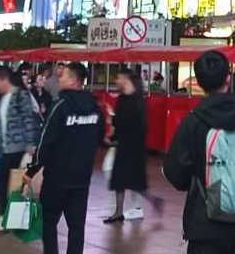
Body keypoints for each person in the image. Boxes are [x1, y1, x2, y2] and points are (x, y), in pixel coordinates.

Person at [162, 48, 235, 254]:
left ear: (200, 82)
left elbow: (175, 172)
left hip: (205, 224)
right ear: (228, 79)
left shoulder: (193, 121)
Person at [29, 62, 104, 254]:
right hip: (82, 178)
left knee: (49, 222)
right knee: (77, 227)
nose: (59, 79)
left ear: (73, 80)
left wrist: (34, 168)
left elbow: (45, 140)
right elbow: (100, 136)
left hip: (56, 178)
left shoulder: (60, 105)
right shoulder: (95, 106)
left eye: (62, 76)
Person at [0, 65, 43, 231]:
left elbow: (28, 120)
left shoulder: (21, 96)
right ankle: (12, 218)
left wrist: (30, 144)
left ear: (5, 79)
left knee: (3, 179)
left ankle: (5, 216)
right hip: (6, 147)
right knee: (12, 183)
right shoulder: (2, 99)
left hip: (18, 147)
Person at [105, 69, 149, 223]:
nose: (116, 81)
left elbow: (138, 125)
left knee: (132, 180)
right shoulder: (124, 99)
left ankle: (137, 208)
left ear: (126, 79)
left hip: (134, 147)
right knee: (120, 180)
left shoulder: (137, 101)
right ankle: (119, 212)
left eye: (119, 78)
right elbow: (120, 122)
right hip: (123, 145)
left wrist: (113, 121)